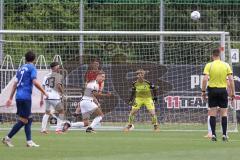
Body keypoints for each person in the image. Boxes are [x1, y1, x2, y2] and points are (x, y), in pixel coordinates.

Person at [2, 51, 48, 147]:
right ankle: (7, 138)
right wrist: (44, 92)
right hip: (25, 97)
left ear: (25, 58)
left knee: (29, 118)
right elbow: (35, 82)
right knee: (24, 120)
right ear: (34, 59)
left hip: (19, 96)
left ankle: (29, 141)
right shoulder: (32, 68)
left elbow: (15, 84)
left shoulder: (20, 68)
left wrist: (10, 98)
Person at [201, 48, 235, 142]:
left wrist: (203, 91)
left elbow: (204, 79)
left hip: (212, 90)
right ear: (220, 55)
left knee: (212, 113)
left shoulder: (209, 65)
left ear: (212, 56)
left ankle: (213, 135)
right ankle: (224, 134)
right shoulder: (226, 65)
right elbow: (231, 80)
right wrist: (232, 93)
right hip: (223, 90)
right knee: (224, 113)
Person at [40, 62, 65, 134]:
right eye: (58, 67)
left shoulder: (46, 76)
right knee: (61, 111)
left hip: (47, 96)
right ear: (54, 68)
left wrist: (41, 98)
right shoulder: (57, 75)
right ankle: (58, 130)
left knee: (47, 113)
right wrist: (63, 93)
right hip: (54, 97)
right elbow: (58, 86)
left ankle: (43, 130)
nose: (59, 68)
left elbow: (43, 88)